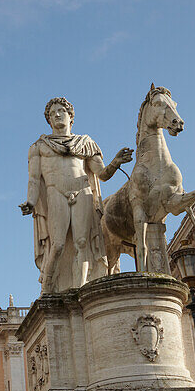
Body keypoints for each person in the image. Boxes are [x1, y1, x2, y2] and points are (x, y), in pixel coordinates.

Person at [20, 96, 131, 293]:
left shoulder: (85, 143)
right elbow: (34, 178)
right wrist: (30, 201)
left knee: (82, 242)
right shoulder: (39, 146)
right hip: (56, 192)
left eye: (61, 110)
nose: (56, 114)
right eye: (52, 113)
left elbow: (102, 174)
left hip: (82, 191)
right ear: (48, 120)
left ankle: (80, 291)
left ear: (71, 117)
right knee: (59, 244)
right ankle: (48, 290)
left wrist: (116, 162)